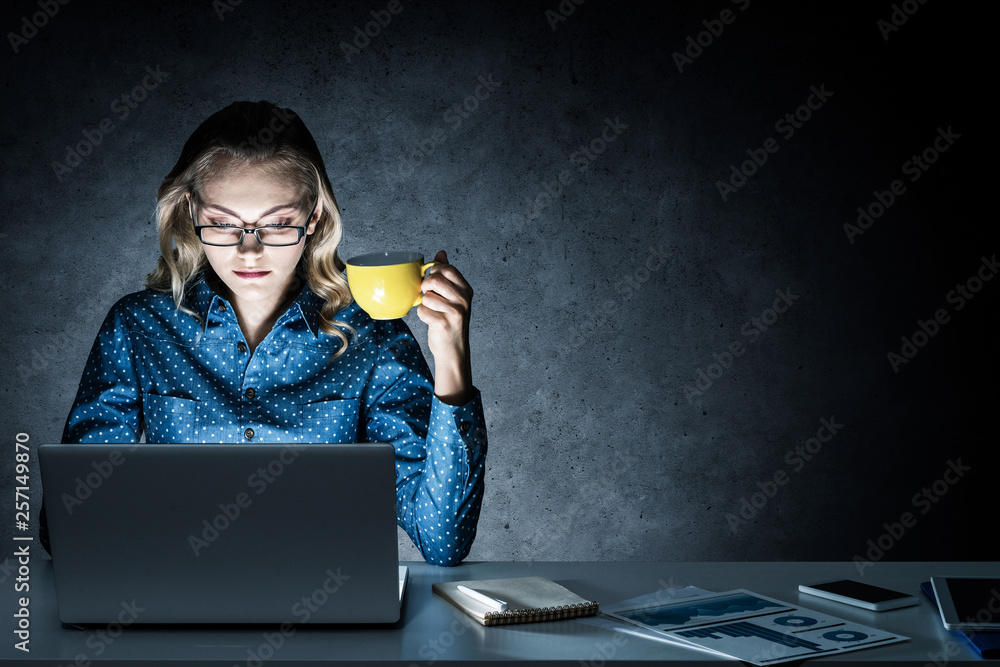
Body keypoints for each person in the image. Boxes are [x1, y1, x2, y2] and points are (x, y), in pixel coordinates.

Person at [41, 101, 487, 567]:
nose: (248, 250)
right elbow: (67, 529)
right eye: (221, 223)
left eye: (276, 224)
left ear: (312, 216)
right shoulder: (139, 327)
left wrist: (451, 356)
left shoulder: (374, 339)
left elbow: (443, 543)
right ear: (191, 210)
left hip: (326, 615)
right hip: (172, 607)